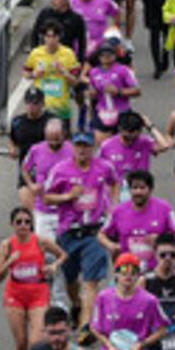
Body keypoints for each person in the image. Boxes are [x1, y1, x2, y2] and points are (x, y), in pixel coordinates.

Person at [44, 130, 119, 330]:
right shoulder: (61, 169)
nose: (82, 150)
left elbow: (115, 182)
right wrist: (67, 197)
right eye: (78, 146)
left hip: (94, 232)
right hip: (69, 232)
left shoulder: (104, 167)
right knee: (70, 278)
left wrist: (113, 205)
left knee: (91, 280)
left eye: (86, 146)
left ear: (93, 147)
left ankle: (87, 326)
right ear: (73, 147)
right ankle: (77, 303)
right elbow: (46, 197)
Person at [0, 206, 65, 350]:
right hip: (15, 294)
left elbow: (63, 255)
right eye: (18, 222)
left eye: (27, 222)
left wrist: (54, 266)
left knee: (36, 342)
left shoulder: (41, 241)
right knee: (21, 342)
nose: (23, 225)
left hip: (38, 293)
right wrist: (9, 262)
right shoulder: (7, 245)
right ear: (12, 224)